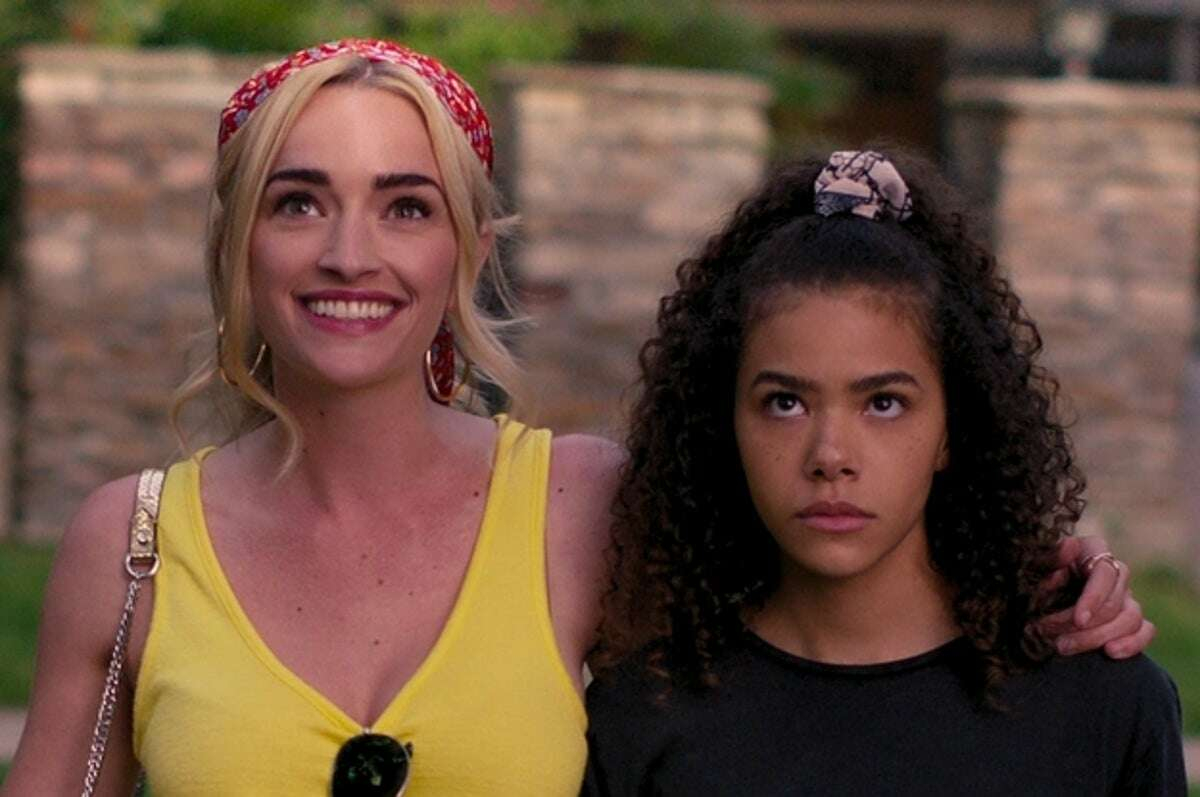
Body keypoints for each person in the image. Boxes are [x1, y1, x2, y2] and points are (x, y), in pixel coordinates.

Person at [1, 42, 1152, 796]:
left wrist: (1052, 564)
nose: (350, 252)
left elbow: (839, 560)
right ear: (236, 243)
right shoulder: (131, 547)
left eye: (406, 206)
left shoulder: (584, 506)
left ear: (469, 250)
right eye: (297, 202)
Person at [582, 151, 1186, 796]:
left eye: (884, 403)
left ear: (952, 428)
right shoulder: (644, 716)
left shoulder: (1101, 706)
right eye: (784, 402)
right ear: (724, 424)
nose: (830, 455)